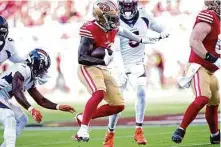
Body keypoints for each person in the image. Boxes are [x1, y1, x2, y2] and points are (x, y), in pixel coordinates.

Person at [74, 0, 159, 142]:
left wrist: (141, 40)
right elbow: (82, 58)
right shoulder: (90, 29)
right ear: (101, 17)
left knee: (118, 105)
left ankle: (83, 117)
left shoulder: (112, 27)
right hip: (88, 67)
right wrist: (104, 60)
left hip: (102, 68)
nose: (115, 20)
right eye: (111, 17)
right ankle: (83, 128)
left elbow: (124, 31)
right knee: (99, 92)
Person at [103, 0, 169, 146]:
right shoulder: (113, 17)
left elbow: (160, 27)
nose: (127, 9)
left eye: (129, 5)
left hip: (136, 63)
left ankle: (138, 129)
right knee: (116, 103)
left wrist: (164, 32)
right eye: (124, 5)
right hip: (118, 64)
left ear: (135, 5)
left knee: (141, 92)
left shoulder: (144, 14)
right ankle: (110, 133)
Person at [0, 48, 75, 147]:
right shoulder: (23, 68)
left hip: (3, 97)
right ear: (36, 63)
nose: (43, 71)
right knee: (9, 119)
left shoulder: (30, 76)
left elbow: (41, 100)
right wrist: (31, 109)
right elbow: (17, 91)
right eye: (42, 68)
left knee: (22, 119)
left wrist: (58, 106)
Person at [172, 0, 220, 144]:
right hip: (199, 66)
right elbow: (194, 41)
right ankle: (181, 129)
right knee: (203, 97)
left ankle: (215, 135)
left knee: (214, 103)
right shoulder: (209, 16)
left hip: (211, 71)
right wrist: (211, 58)